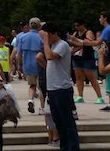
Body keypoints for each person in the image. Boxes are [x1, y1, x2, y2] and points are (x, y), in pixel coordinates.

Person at [39, 22, 79, 151]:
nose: (47, 38)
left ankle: (72, 147)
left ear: (55, 33)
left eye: (48, 35)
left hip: (62, 89)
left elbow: (50, 57)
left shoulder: (62, 45)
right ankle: (65, 146)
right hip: (52, 89)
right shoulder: (52, 45)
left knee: (67, 122)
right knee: (58, 123)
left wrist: (45, 41)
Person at [69, 18, 104, 104]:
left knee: (91, 77)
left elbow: (87, 41)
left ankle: (99, 96)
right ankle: (80, 95)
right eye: (75, 26)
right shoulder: (75, 34)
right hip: (77, 57)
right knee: (79, 77)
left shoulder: (88, 32)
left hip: (87, 57)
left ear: (82, 25)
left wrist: (76, 40)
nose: (76, 27)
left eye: (78, 25)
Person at [17, 17, 45, 114]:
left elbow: (19, 53)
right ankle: (42, 108)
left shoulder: (22, 37)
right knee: (41, 87)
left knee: (32, 85)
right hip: (40, 64)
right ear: (39, 26)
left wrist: (19, 65)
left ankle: (30, 100)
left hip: (28, 64)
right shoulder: (42, 37)